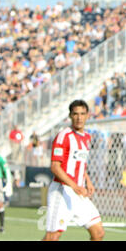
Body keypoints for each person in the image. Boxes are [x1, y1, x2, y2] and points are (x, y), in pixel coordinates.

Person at [42, 100, 104, 241]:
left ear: (87, 115)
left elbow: (80, 163)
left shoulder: (87, 137)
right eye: (75, 114)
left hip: (78, 193)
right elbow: (55, 167)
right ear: (70, 116)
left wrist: (88, 182)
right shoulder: (64, 136)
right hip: (62, 191)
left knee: (98, 233)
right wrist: (75, 186)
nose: (79, 117)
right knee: (52, 237)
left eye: (82, 114)